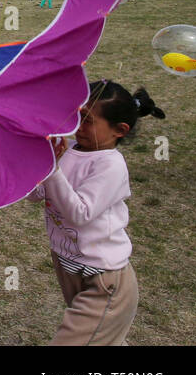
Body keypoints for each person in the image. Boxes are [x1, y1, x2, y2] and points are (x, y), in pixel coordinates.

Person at [30, 80, 165, 345]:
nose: (78, 126)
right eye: (77, 115)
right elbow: (37, 196)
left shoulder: (110, 165)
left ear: (120, 130)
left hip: (104, 279)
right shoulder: (66, 149)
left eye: (88, 120)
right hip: (68, 266)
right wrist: (39, 164)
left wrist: (54, 171)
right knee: (102, 339)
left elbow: (79, 213)